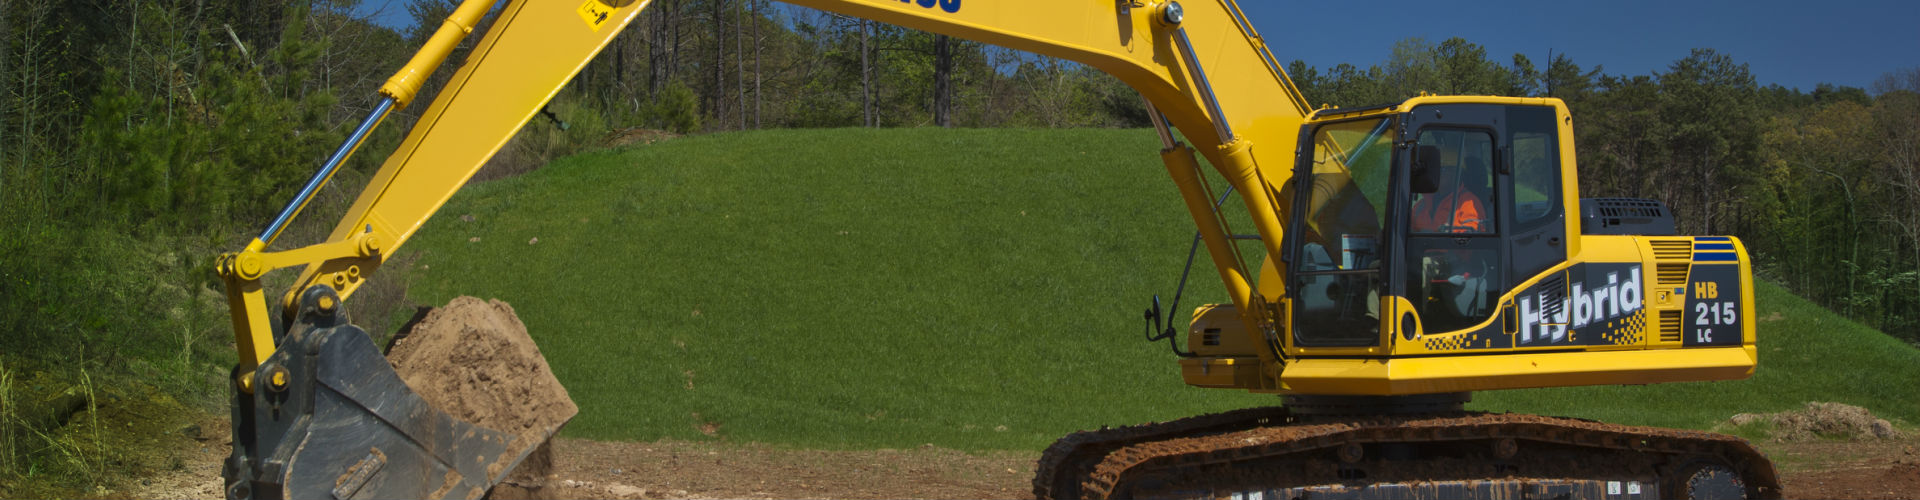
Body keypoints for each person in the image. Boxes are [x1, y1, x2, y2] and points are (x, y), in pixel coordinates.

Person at [1411, 156, 1488, 233]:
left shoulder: (1469, 203)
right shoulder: (1422, 205)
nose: (1437, 173)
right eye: (1435, 170)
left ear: (1455, 173)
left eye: (1442, 169)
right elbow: (1408, 229)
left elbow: (1472, 234)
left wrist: (1449, 232)